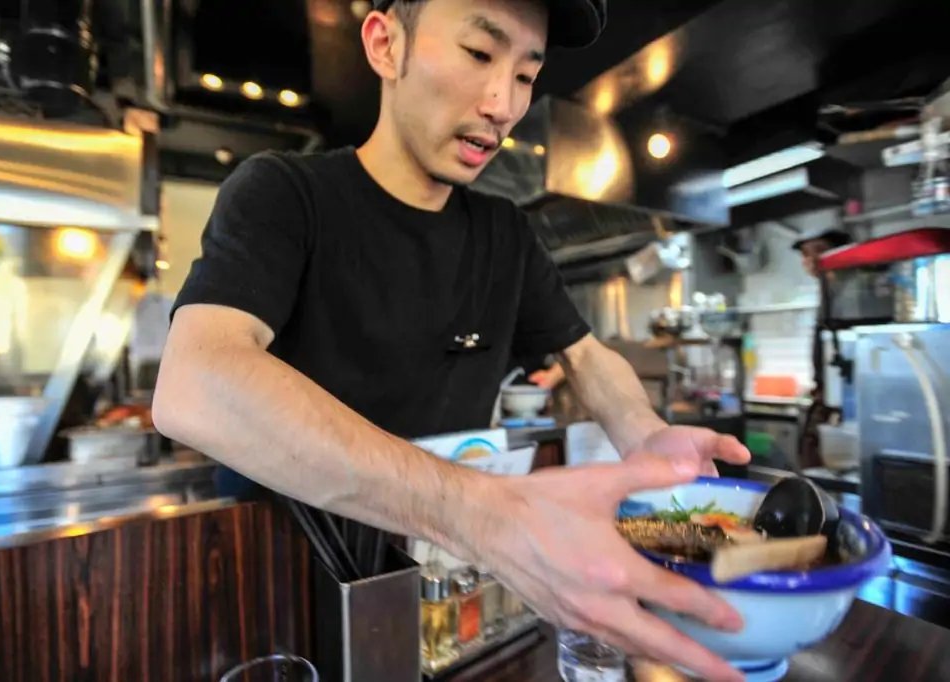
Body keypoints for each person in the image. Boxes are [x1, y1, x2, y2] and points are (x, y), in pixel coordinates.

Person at [152, 2, 749, 679]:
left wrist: (646, 438)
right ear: (385, 45)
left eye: (527, 75)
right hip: (283, 603)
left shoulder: (504, 235)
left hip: (443, 602)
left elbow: (583, 355)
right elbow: (194, 383)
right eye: (477, 54)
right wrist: (484, 515)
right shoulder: (286, 195)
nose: (503, 104)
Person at [791, 226, 852, 469]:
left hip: (843, 403)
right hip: (825, 396)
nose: (810, 259)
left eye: (819, 250)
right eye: (805, 254)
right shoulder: (827, 294)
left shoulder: (849, 293)